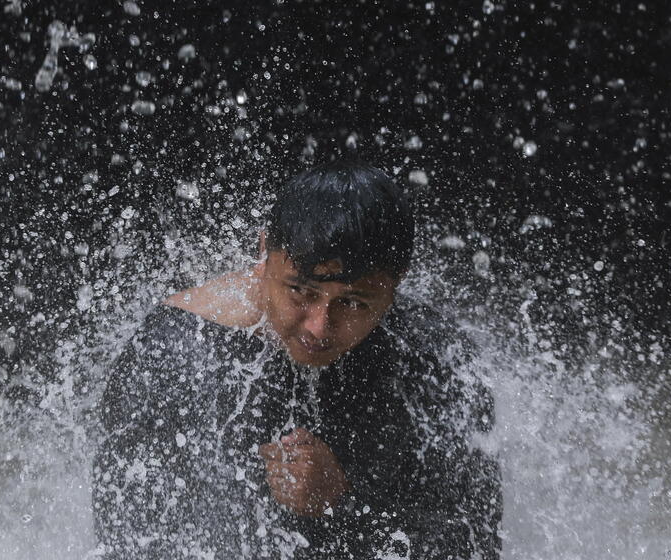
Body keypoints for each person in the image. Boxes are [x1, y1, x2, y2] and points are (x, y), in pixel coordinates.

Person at [91, 160, 502, 559]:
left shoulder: (438, 362)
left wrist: (343, 503)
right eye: (301, 292)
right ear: (264, 250)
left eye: (354, 303)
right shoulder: (175, 350)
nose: (319, 328)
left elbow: (471, 540)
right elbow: (125, 532)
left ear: (398, 281)